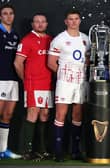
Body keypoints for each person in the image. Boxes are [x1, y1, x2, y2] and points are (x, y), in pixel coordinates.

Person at [48, 9, 90, 161]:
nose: (73, 21)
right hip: (65, 82)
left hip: (81, 82)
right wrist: (66, 74)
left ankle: (75, 150)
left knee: (78, 115)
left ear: (80, 20)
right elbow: (51, 63)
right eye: (70, 19)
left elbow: (88, 60)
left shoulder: (86, 39)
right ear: (66, 21)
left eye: (76, 19)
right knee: (60, 114)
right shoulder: (59, 39)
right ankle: (58, 152)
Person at [14, 13, 53, 160]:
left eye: (43, 21)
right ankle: (27, 150)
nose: (40, 24)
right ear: (32, 24)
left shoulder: (51, 40)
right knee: (33, 113)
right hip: (33, 83)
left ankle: (42, 150)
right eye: (37, 22)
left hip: (48, 83)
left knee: (45, 115)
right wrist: (26, 79)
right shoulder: (27, 40)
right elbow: (17, 63)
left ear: (47, 24)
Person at [0, 4, 21, 159]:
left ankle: (3, 149)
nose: (8, 16)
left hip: (13, 80)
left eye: (11, 13)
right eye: (5, 13)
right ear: (0, 16)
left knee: (8, 115)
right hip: (0, 79)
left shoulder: (15, 35)